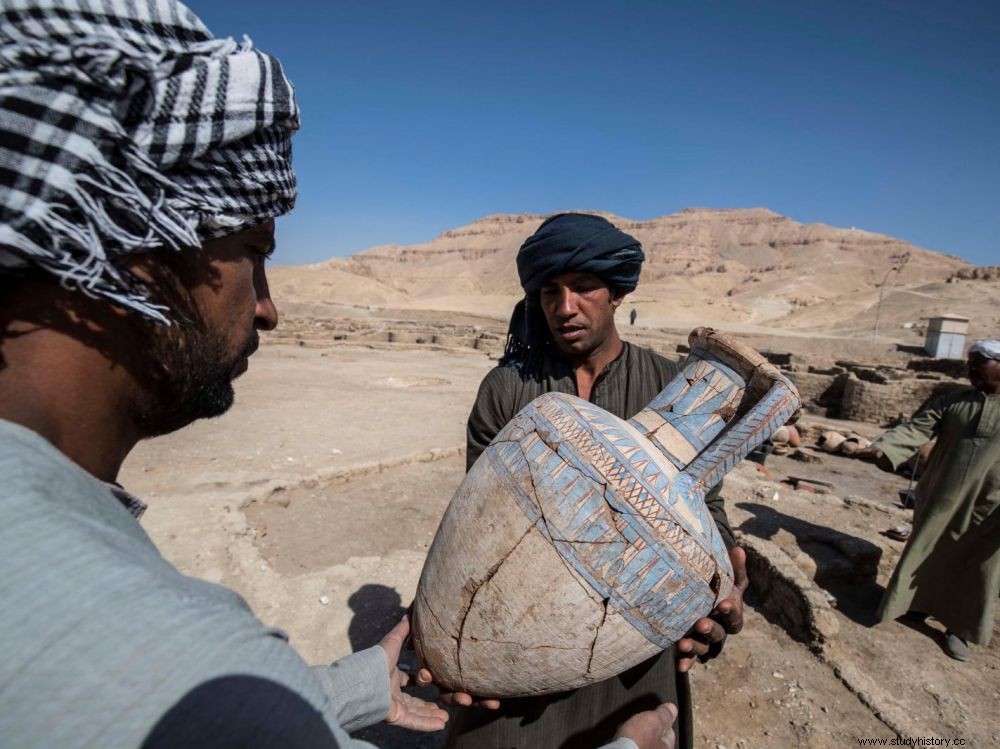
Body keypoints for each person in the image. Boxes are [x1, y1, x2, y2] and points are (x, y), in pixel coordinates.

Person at [0, 4, 679, 747]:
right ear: (137, 250)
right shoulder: (176, 647)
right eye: (254, 251)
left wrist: (340, 688)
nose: (268, 306)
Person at [450, 213, 748, 749]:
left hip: (634, 645)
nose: (564, 308)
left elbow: (706, 507)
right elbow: (484, 522)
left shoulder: (673, 388)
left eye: (584, 287)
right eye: (549, 292)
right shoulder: (506, 390)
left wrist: (722, 585)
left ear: (616, 292)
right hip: (517, 631)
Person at [860, 340, 1000, 662]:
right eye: (970, 365)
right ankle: (914, 605)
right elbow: (915, 429)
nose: (971, 371)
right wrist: (888, 448)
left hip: (989, 507)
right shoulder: (951, 402)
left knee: (979, 567)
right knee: (928, 550)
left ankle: (959, 629)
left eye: (979, 364)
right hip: (942, 496)